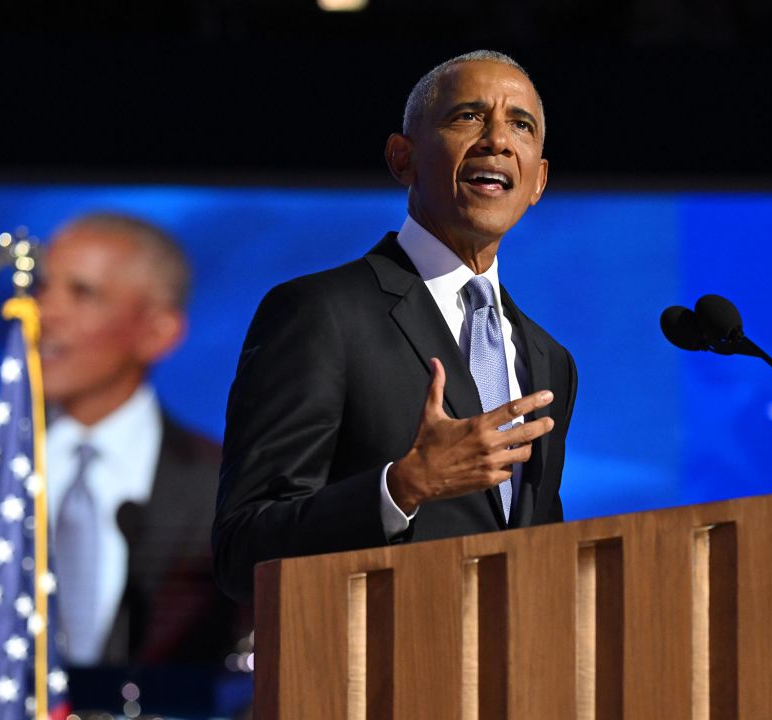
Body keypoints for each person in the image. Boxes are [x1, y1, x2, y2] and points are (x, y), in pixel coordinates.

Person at [214, 50, 578, 602]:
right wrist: (403, 487)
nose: (498, 140)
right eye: (469, 117)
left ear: (538, 181)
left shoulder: (550, 361)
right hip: (370, 675)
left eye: (520, 125)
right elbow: (244, 552)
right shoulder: (321, 312)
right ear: (401, 157)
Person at [0, 213, 248, 709]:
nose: (43, 313)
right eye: (41, 288)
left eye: (82, 293)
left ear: (159, 330)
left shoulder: (224, 485)